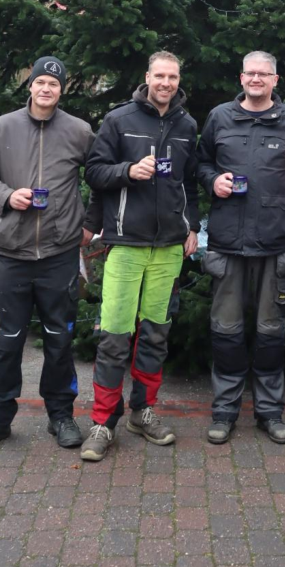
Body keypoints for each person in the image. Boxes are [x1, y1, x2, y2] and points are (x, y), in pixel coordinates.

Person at [0, 56, 94, 453]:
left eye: (54, 84)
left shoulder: (79, 131)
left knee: (59, 339)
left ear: (61, 90)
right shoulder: (4, 127)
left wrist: (90, 222)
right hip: (13, 253)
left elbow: (102, 176)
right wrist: (7, 196)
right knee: (8, 340)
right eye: (40, 82)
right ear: (30, 86)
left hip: (59, 253)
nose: (46, 89)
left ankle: (61, 416)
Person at [79, 52, 199, 463]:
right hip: (126, 244)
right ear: (147, 77)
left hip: (168, 249)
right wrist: (128, 171)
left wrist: (193, 226)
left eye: (172, 76)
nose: (165, 82)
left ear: (178, 80)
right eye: (159, 75)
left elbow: (190, 185)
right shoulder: (119, 120)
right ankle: (102, 422)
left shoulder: (187, 125)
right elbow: (94, 172)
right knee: (114, 334)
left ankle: (141, 412)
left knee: (155, 333)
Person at [197, 51, 285, 445]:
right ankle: (225, 412)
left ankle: (269, 412)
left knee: (270, 331)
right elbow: (199, 164)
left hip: (275, 244)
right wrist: (213, 180)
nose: (256, 79)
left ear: (275, 80)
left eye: (264, 74)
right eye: (250, 72)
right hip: (228, 244)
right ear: (241, 77)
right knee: (226, 330)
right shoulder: (219, 118)